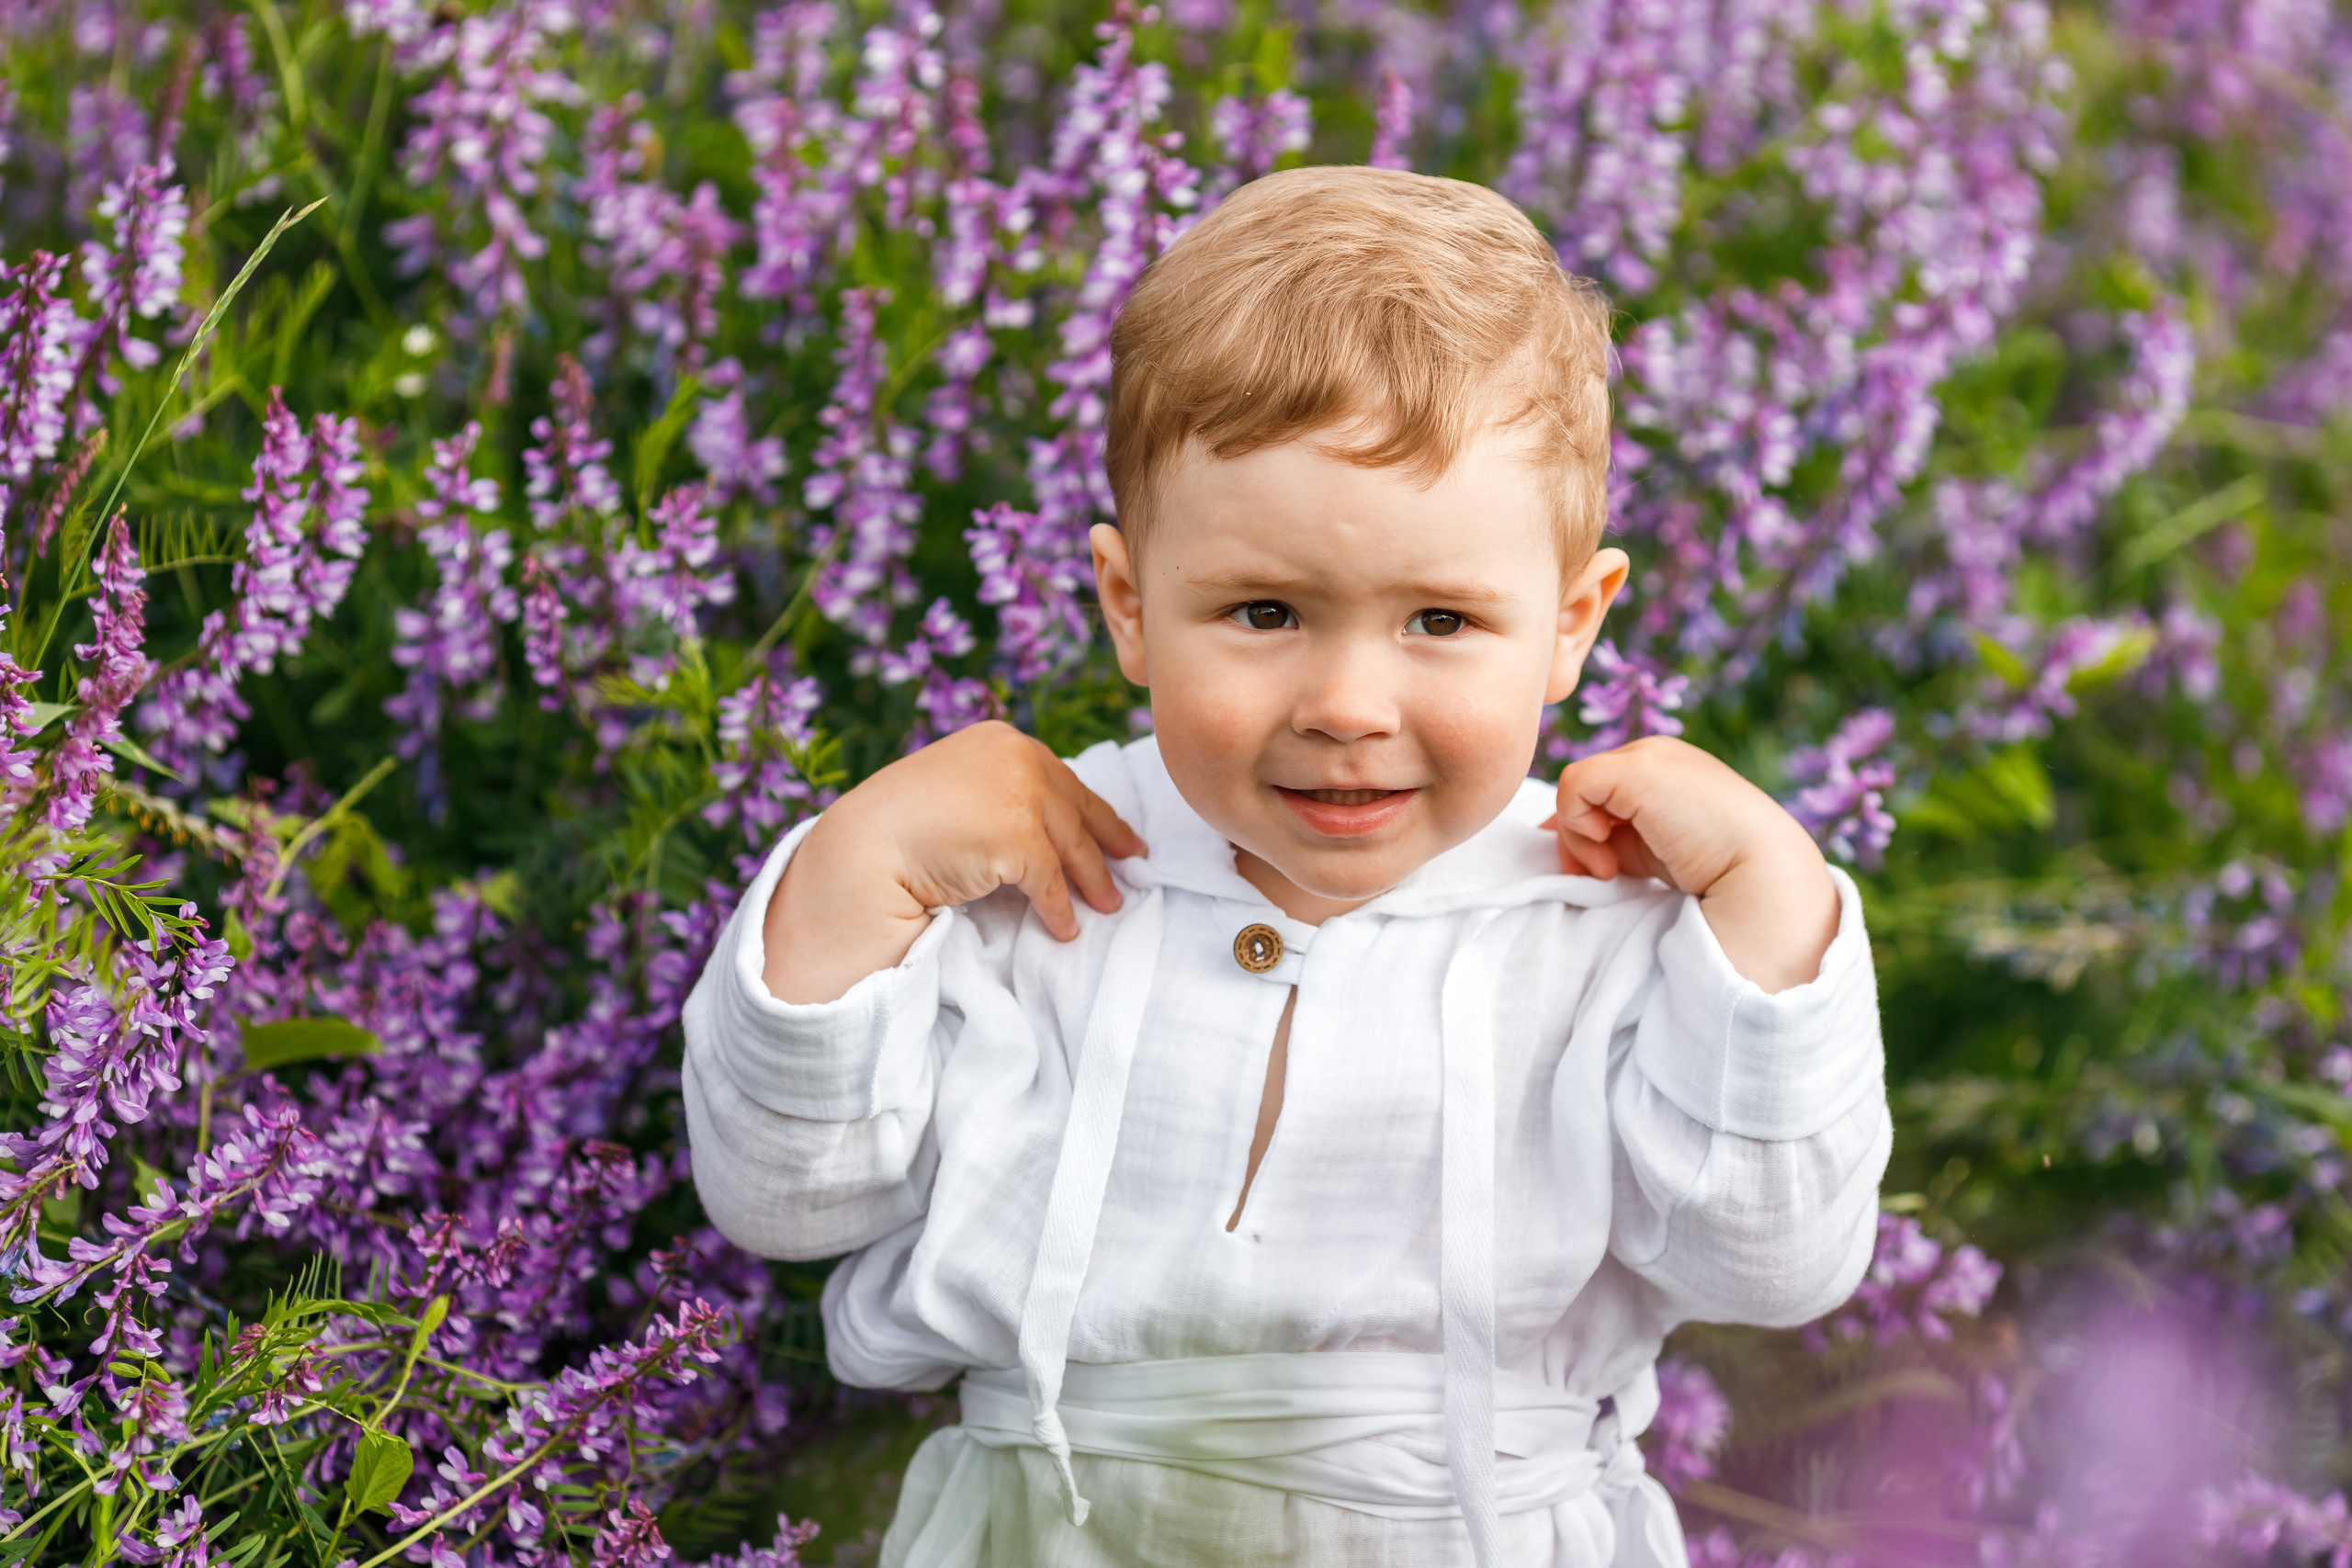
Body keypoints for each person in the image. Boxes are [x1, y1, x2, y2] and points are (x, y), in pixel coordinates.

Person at [683, 164, 1891, 1568]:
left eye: (1440, 619)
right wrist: (862, 862)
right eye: (1264, 610)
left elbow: (1773, 1263)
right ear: (1131, 606)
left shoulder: (1608, 919)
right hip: (1059, 1525)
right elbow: (785, 1201)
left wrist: (1775, 916)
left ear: (1572, 624)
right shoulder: (1031, 869)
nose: (1348, 704)